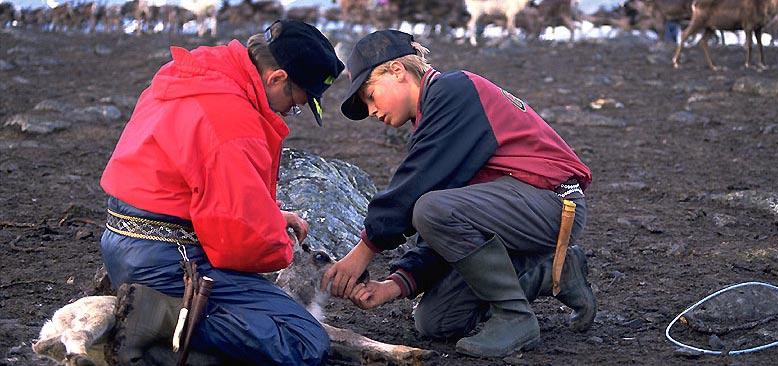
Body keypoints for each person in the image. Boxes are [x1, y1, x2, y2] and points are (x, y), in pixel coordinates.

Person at [322, 30, 597, 358]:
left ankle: (515, 318)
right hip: (514, 208)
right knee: (435, 320)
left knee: (429, 208)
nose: (371, 111)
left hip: (552, 199)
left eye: (369, 95)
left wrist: (364, 251)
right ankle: (553, 271)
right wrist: (394, 285)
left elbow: (417, 193)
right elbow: (445, 218)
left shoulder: (454, 91)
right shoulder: (433, 116)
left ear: (396, 70)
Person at [99, 20, 344, 365]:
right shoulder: (232, 120)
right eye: (297, 102)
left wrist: (272, 215)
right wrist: (283, 245)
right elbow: (240, 243)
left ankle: (159, 338)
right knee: (303, 338)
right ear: (276, 78)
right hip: (168, 258)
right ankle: (160, 317)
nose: (290, 112)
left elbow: (194, 186)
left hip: (124, 242)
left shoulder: (201, 74)